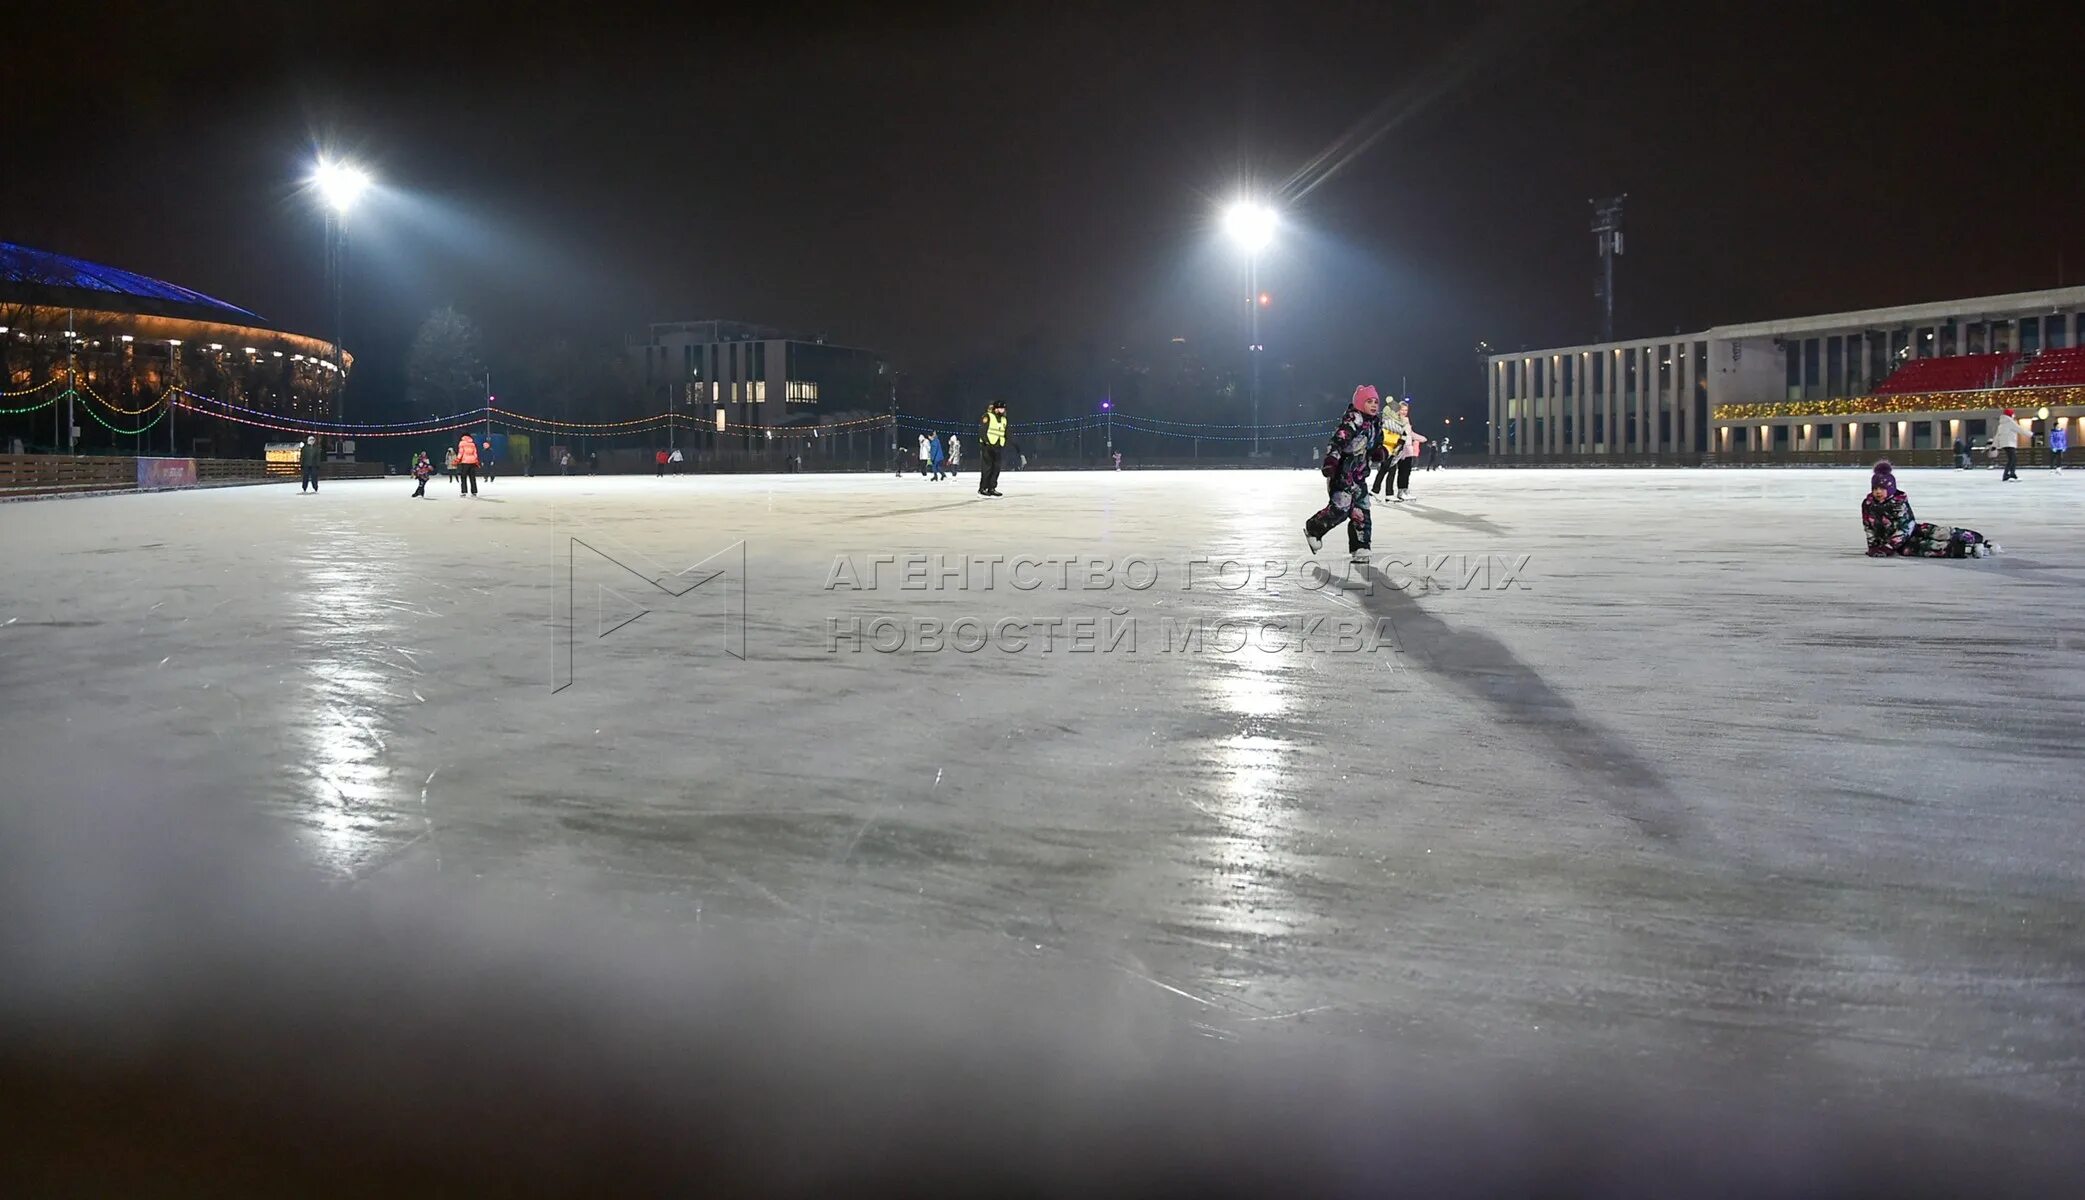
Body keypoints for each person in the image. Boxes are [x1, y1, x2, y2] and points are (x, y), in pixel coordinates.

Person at [1303, 384, 1387, 563]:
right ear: (1359, 403)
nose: (1373, 405)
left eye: (1376, 402)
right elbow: (1338, 441)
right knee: (1340, 509)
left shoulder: (1376, 423)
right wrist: (1331, 461)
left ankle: (1361, 547)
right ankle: (1313, 528)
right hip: (1342, 474)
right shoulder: (1353, 420)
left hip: (1359, 476)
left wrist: (1380, 452)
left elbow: (1377, 443)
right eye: (1369, 401)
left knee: (1362, 511)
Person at [1862, 460, 1998, 558]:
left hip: (1912, 532)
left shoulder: (1898, 503)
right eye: (1875, 489)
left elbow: (1906, 527)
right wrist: (1874, 546)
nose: (1878, 492)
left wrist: (1889, 546)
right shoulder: (1868, 505)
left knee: (1941, 532)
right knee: (1929, 547)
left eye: (1882, 489)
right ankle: (1967, 549)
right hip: (1903, 545)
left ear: (1890, 489)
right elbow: (1868, 526)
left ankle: (1975, 539)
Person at [1390, 401, 1426, 501]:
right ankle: (1400, 492)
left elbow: (1410, 434)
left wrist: (1420, 438)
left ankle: (1405, 490)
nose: (1404, 412)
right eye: (1402, 409)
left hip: (1408, 449)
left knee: (1407, 471)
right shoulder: (1395, 420)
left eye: (1406, 410)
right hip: (1401, 449)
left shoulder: (1406, 420)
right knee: (1402, 472)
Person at [1371, 405, 1406, 495]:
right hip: (1388, 450)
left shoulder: (1393, 423)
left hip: (1393, 450)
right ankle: (1379, 491)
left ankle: (1384, 492)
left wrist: (1400, 443)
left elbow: (1402, 435)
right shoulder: (1387, 424)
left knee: (1390, 471)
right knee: (1385, 471)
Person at [978, 401, 1008, 497]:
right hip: (988, 446)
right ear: (996, 409)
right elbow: (982, 431)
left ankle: (992, 488)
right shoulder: (988, 416)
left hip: (998, 446)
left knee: (996, 468)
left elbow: (1005, 433)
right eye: (1000, 408)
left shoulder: (1004, 419)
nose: (1002, 410)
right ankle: (983, 488)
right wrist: (986, 442)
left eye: (1003, 408)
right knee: (987, 468)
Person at [1994, 408, 2024, 481]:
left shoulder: (2001, 424)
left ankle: (2012, 474)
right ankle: (2006, 475)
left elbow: (1997, 435)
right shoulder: (2010, 422)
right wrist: (2031, 434)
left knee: (2012, 459)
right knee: (2012, 459)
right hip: (2009, 443)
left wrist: (1994, 445)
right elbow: (2020, 429)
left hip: (2005, 444)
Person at [456, 433, 480, 497]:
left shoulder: (462, 443)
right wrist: (476, 460)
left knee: (463, 477)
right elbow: (475, 453)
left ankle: (464, 491)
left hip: (465, 462)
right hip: (472, 462)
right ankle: (474, 492)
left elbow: (461, 452)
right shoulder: (472, 444)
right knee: (472, 477)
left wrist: (457, 459)